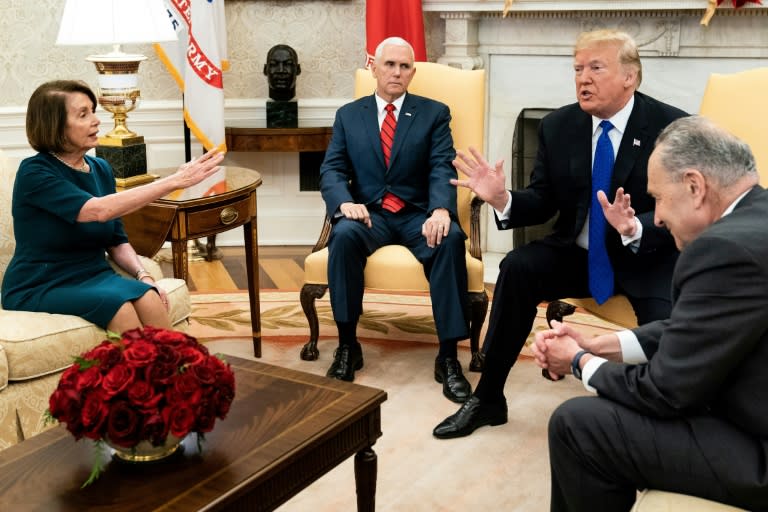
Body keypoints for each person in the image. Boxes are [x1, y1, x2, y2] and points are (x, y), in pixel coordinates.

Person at [433, 29, 688, 438]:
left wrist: (635, 225)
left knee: (672, 337)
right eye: (577, 69)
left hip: (647, 256)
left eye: (595, 68)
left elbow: (685, 207)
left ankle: (659, 421)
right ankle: (488, 399)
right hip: (581, 254)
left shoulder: (670, 127)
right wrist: (502, 199)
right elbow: (543, 201)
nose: (582, 78)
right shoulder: (559, 125)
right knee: (517, 268)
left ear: (630, 77)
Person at [532, 115, 768, 511]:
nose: (655, 218)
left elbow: (665, 392)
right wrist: (603, 345)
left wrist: (578, 361)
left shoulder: (722, 250)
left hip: (757, 454)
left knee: (579, 424)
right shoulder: (755, 220)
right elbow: (701, 327)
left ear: (695, 186)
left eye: (657, 198)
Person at [1, 80, 224, 334]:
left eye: (93, 110)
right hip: (41, 283)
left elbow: (116, 240)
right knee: (121, 308)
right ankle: (134, 374)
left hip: (94, 275)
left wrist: (143, 275)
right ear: (55, 126)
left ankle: (176, 371)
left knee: (149, 296)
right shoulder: (35, 172)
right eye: (83, 114)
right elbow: (98, 210)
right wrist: (175, 181)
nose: (96, 120)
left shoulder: (101, 169)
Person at [319, 37, 471, 403]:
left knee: (449, 239)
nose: (397, 73)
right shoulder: (348, 115)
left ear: (412, 72)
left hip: (418, 214)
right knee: (342, 237)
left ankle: (448, 356)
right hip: (369, 214)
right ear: (373, 66)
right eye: (390, 65)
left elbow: (440, 164)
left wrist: (440, 210)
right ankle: (347, 345)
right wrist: (343, 204)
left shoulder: (434, 113)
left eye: (405, 67)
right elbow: (332, 170)